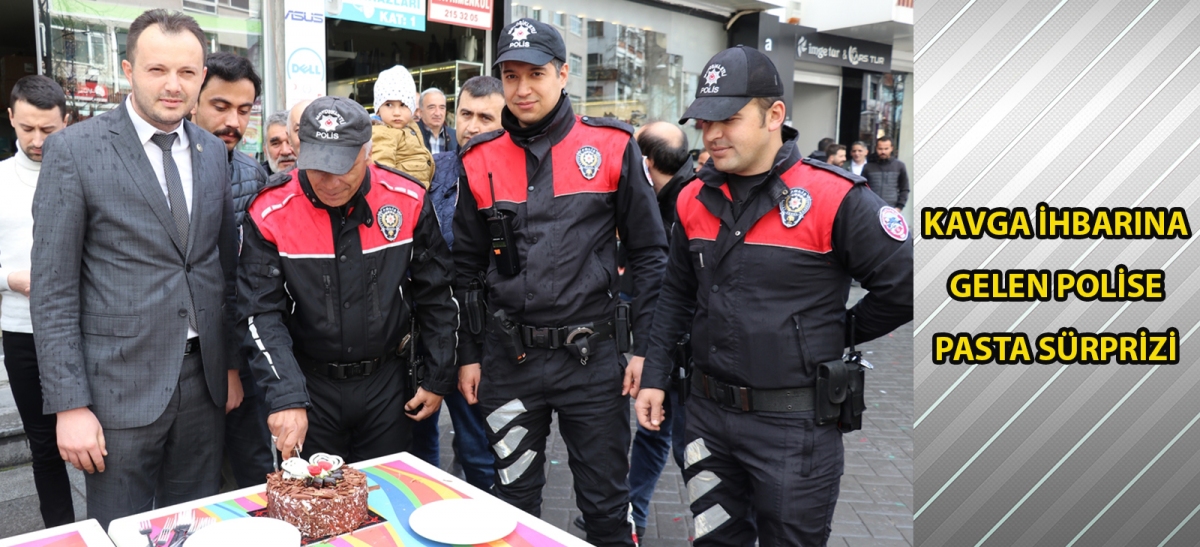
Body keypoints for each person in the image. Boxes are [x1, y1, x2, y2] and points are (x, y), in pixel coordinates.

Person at [635, 46, 913, 546]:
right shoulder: (693, 197)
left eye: (729, 119)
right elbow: (675, 293)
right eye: (703, 122)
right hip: (706, 419)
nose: (712, 134)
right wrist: (654, 376)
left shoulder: (834, 197)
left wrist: (835, 331)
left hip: (795, 428)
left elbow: (906, 286)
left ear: (774, 116)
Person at [453, 18, 667, 547]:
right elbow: (463, 269)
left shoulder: (611, 145)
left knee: (605, 509)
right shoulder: (479, 160)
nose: (522, 89)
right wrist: (468, 354)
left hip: (592, 364)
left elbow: (650, 253)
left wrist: (644, 349)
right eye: (510, 75)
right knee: (512, 506)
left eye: (536, 73)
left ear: (564, 73)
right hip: (509, 361)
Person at [31, 9, 241, 529]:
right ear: (127, 69)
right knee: (120, 531)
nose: (173, 86)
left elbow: (222, 269)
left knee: (192, 527)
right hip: (114, 392)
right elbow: (53, 290)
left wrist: (230, 364)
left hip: (204, 384)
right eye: (157, 70)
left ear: (200, 78)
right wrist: (69, 405)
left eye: (187, 73)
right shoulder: (74, 150)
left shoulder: (213, 152)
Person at [237, 96, 457, 463]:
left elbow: (436, 292)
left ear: (368, 153)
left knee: (386, 497)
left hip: (388, 386)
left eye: (344, 166)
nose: (331, 181)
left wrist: (438, 375)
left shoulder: (408, 199)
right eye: (319, 166)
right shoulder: (269, 211)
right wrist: (286, 395)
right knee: (314, 507)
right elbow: (259, 313)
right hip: (310, 388)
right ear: (299, 149)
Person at [412, 75, 504, 489]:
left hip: (484, 338)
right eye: (465, 114)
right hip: (430, 330)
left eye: (485, 117)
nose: (471, 126)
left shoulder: (515, 178)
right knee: (417, 439)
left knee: (480, 449)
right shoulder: (436, 167)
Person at [189, 50, 275, 488]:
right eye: (220, 106)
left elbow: (249, 282)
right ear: (194, 100)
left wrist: (237, 366)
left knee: (253, 469)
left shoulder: (252, 175)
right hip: (182, 357)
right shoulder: (169, 172)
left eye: (244, 110)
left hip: (242, 350)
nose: (234, 123)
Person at [0, 75, 72, 528]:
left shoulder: (85, 173)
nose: (37, 140)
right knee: (44, 446)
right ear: (11, 119)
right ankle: (63, 533)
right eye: (27, 128)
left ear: (68, 121)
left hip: (84, 327)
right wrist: (11, 278)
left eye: (48, 130)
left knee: (105, 437)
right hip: (22, 330)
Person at [624, 120, 694, 538]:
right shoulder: (656, 199)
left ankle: (717, 524)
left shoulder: (691, 203)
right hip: (664, 347)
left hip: (686, 352)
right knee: (653, 431)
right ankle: (633, 513)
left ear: (646, 163)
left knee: (690, 446)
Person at [370, 65, 434, 186]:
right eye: (389, 105)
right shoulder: (381, 132)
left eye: (403, 105)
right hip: (400, 199)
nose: (397, 112)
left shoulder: (411, 127)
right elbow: (381, 174)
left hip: (418, 198)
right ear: (378, 109)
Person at [862, 136, 909, 210]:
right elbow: (862, 189)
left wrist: (899, 207)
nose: (883, 152)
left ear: (892, 148)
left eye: (886, 149)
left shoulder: (899, 166)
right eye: (880, 149)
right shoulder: (868, 167)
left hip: (892, 209)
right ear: (876, 148)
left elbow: (904, 188)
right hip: (871, 209)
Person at [418, 87, 457, 154]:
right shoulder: (409, 135)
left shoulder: (456, 136)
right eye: (432, 107)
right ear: (421, 112)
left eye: (442, 108)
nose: (437, 113)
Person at [263, 111, 296, 175]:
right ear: (265, 151)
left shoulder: (318, 181)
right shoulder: (255, 183)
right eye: (276, 144)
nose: (285, 151)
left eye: (291, 142)